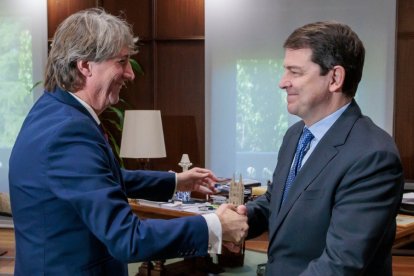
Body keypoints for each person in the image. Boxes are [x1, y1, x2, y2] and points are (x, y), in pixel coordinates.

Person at [8, 8, 248, 275]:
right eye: (121, 62)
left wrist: (177, 182)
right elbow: (127, 238)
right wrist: (214, 226)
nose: (130, 74)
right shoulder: (69, 131)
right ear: (85, 65)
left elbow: (99, 179)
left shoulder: (51, 109)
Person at [245, 21, 404, 275]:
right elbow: (279, 202)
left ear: (335, 78)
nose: (282, 82)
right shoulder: (294, 135)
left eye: (295, 72)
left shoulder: (374, 156)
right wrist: (240, 218)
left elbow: (341, 264)